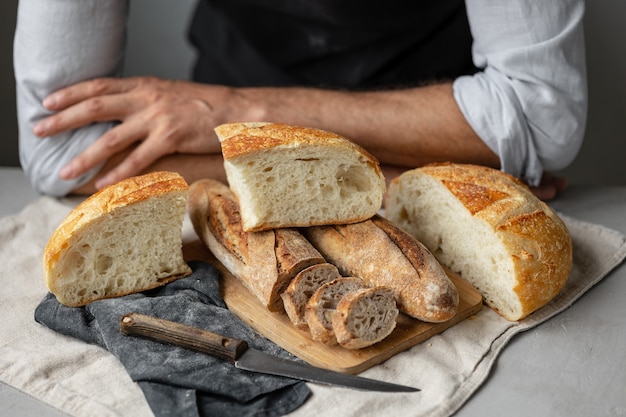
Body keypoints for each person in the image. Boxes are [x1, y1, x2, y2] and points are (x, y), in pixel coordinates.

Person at [14, 0, 587, 201]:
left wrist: (235, 109)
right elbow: (61, 152)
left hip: (435, 113)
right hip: (436, 158)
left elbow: (541, 116)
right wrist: (388, 183)